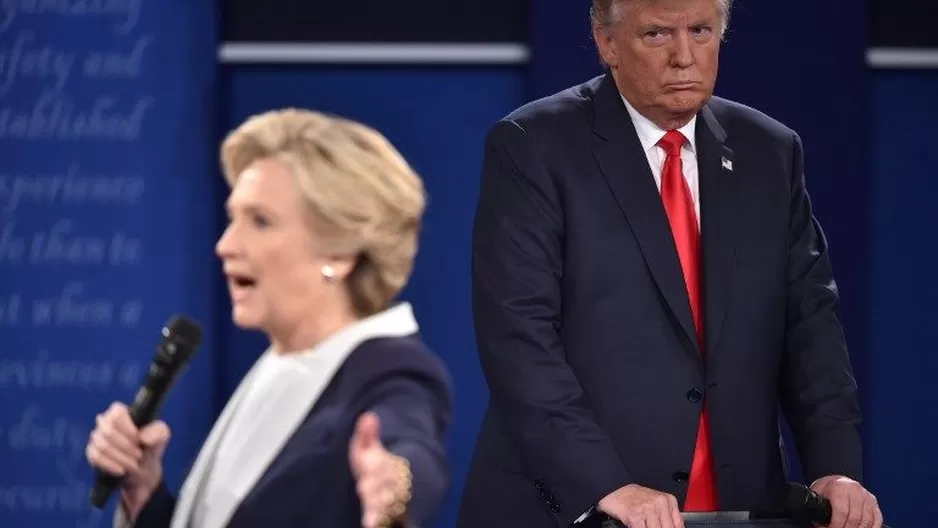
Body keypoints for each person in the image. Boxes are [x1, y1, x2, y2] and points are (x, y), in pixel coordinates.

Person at [459, 1, 882, 528]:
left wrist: (834, 469)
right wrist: (605, 484)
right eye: (657, 34)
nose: (685, 57)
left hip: (737, 506)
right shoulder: (534, 145)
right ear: (607, 43)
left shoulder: (769, 151)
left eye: (701, 31)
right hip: (579, 506)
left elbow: (811, 325)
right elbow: (518, 336)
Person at [85, 109, 453, 528]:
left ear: (340, 252)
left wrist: (396, 487)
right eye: (232, 218)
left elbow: (410, 443)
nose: (226, 245)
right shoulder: (280, 363)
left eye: (260, 221)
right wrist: (144, 492)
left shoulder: (390, 371)